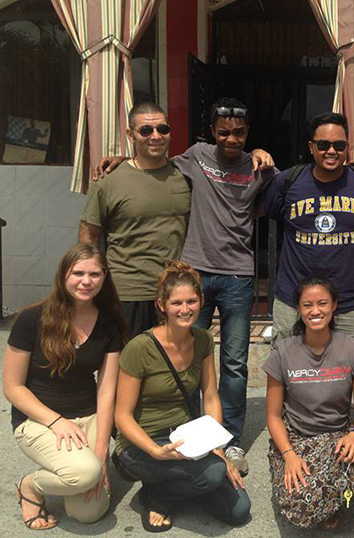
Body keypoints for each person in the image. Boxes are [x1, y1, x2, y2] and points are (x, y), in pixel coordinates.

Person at [89, 97, 275, 476]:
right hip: (196, 276)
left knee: (234, 363)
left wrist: (264, 153)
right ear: (212, 132)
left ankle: (230, 438)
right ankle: (187, 431)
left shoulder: (259, 168)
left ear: (248, 133)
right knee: (189, 359)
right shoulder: (195, 157)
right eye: (224, 132)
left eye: (239, 133)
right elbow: (150, 164)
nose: (231, 138)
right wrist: (120, 161)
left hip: (239, 275)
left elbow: (270, 200)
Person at [113, 262, 250, 532]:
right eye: (177, 303)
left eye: (191, 301)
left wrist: (218, 450)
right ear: (162, 305)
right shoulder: (139, 348)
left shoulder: (202, 340)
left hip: (185, 436)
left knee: (238, 510)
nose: (185, 309)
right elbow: (122, 416)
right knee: (212, 474)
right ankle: (156, 497)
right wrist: (156, 451)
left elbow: (210, 394)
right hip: (141, 444)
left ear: (201, 301)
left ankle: (176, 488)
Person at [3, 243, 126, 529]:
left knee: (88, 512)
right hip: (39, 419)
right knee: (83, 474)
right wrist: (56, 421)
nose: (86, 281)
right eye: (78, 272)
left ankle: (78, 468)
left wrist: (100, 451)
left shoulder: (109, 324)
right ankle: (30, 486)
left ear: (105, 277)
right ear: (63, 275)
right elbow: (12, 387)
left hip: (88, 416)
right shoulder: (32, 319)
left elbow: (106, 391)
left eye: (95, 274)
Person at [259, 112, 354, 341]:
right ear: (311, 146)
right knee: (288, 369)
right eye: (323, 144)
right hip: (294, 301)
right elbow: (256, 208)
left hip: (350, 302)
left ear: (348, 147)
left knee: (349, 372)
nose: (331, 151)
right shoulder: (288, 182)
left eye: (339, 145)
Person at [263, 275, 354, 529]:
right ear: (298, 309)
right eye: (307, 305)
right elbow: (273, 416)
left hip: (338, 438)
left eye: (322, 303)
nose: (315, 311)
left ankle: (337, 497)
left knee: (342, 472)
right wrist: (288, 455)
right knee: (298, 505)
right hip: (296, 439)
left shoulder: (353, 350)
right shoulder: (282, 352)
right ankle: (327, 499)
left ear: (334, 305)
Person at [79, 102, 190, 339]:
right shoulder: (108, 180)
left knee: (166, 369)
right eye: (146, 131)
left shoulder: (184, 176)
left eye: (163, 129)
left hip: (173, 294)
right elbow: (88, 238)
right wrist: (89, 287)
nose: (156, 136)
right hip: (126, 293)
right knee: (123, 368)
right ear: (131, 135)